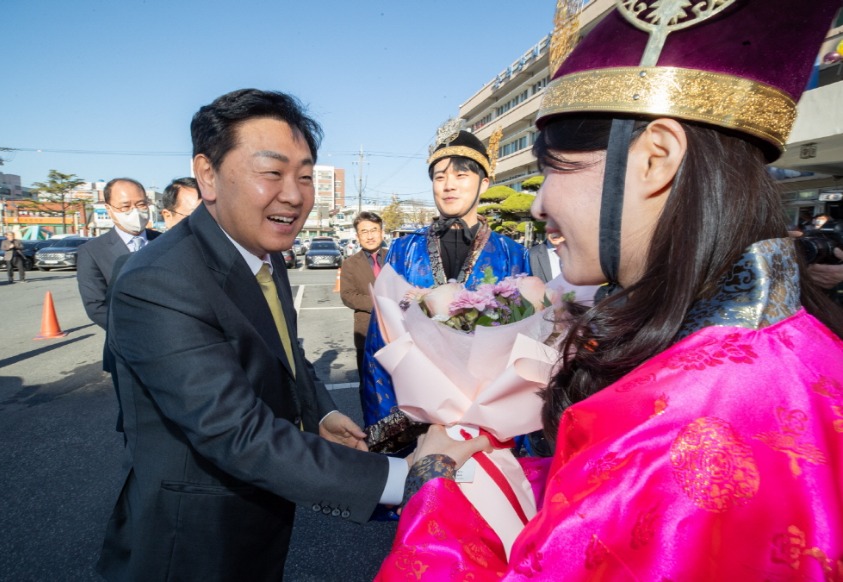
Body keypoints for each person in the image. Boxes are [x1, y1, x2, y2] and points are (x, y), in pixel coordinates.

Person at [376, 0, 843, 579]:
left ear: (655, 157)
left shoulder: (697, 406)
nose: (540, 201)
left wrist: (435, 480)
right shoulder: (782, 341)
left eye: (558, 169)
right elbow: (612, 500)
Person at [95, 89, 480, 582]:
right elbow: (237, 432)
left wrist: (321, 411)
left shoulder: (264, 252)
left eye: (304, 176)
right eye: (272, 173)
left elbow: (285, 353)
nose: (295, 195)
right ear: (208, 175)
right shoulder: (159, 280)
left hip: (260, 518)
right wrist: (408, 475)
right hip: (190, 541)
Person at [361, 128, 530, 426]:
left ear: (484, 183)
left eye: (461, 176)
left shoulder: (513, 253)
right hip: (414, 411)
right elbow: (380, 341)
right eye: (439, 177)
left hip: (487, 418)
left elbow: (525, 345)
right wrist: (388, 423)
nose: (448, 186)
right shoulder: (403, 249)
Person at [77, 178, 161, 329]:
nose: (135, 211)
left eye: (141, 204)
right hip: (128, 340)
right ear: (109, 209)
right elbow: (96, 306)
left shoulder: (165, 241)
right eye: (125, 206)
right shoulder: (92, 251)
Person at [340, 211, 387, 386]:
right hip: (366, 332)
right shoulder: (349, 264)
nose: (370, 236)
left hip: (397, 331)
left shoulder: (395, 257)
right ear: (357, 236)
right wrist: (378, 302)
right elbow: (347, 296)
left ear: (382, 232)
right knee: (369, 386)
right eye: (364, 232)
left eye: (374, 230)